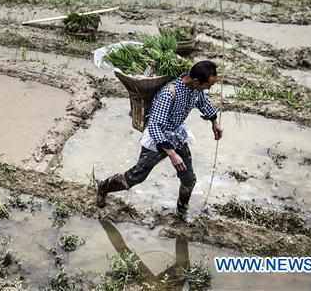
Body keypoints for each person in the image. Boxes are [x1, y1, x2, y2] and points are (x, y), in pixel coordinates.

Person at [95, 60, 223, 219]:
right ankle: (104, 187)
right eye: (208, 85)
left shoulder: (196, 90)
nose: (209, 88)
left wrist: (214, 122)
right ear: (196, 81)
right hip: (158, 139)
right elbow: (154, 126)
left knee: (189, 179)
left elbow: (204, 103)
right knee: (136, 177)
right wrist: (172, 154)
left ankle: (181, 211)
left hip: (177, 135)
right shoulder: (169, 93)